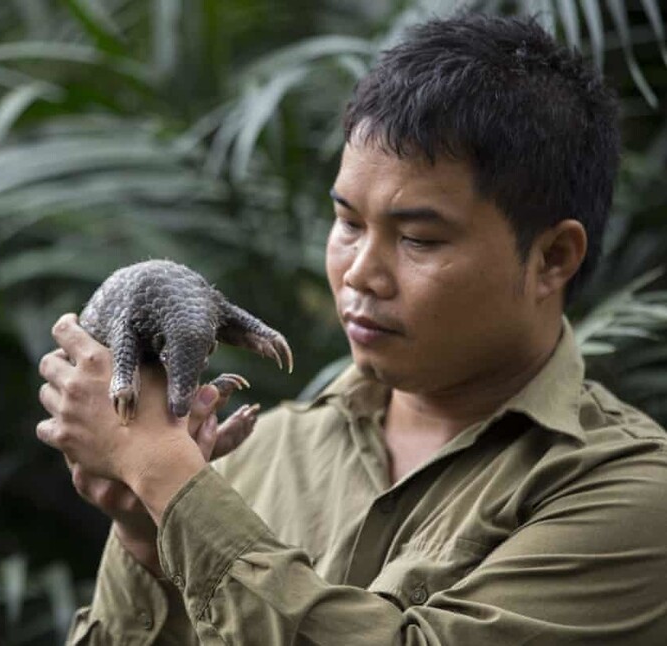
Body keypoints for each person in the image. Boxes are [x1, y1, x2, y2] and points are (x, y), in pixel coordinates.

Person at [36, 13, 667, 645]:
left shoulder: (630, 497)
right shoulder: (255, 451)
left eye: (418, 239)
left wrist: (165, 480)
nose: (361, 274)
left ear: (553, 258)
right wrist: (146, 536)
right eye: (348, 224)